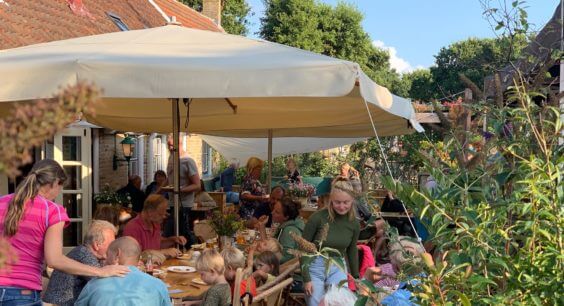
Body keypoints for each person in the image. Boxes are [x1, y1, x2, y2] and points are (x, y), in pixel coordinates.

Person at [0, 159, 129, 306]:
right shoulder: (52, 211)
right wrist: (101, 271)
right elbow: (54, 260)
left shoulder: (2, 202)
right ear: (55, 183)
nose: (58, 193)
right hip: (22, 293)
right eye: (60, 187)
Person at [302, 178, 360, 306]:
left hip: (338, 265)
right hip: (315, 265)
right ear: (330, 200)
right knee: (315, 303)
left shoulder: (354, 223)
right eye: (337, 202)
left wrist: (356, 277)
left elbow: (352, 249)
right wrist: (306, 278)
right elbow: (303, 248)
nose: (341, 206)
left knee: (341, 302)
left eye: (346, 202)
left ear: (352, 201)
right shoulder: (317, 218)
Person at [75, 237, 171, 306]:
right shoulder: (158, 285)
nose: (104, 260)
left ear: (117, 254)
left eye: (107, 255)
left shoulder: (93, 285)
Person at [43, 220, 118, 306]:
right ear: (97, 245)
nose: (114, 248)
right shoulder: (83, 254)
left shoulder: (85, 252)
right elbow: (106, 284)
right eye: (112, 244)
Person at [123, 194, 186, 259]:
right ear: (150, 212)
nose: (164, 216)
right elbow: (135, 256)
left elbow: (157, 244)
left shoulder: (155, 223)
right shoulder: (132, 228)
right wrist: (163, 252)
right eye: (160, 214)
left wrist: (173, 240)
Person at [165, 133, 201, 244]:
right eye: (168, 146)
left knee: (182, 231)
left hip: (184, 204)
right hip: (172, 202)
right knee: (173, 232)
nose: (170, 148)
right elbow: (169, 179)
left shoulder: (188, 161)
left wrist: (179, 190)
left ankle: (195, 249)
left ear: (180, 144)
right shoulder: (171, 158)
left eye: (172, 146)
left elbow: (197, 185)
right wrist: (159, 191)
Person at [265, 197, 305, 264]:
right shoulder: (289, 225)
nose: (272, 213)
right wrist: (261, 227)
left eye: (277, 212)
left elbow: (286, 259)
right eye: (274, 209)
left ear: (286, 217)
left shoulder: (289, 231)